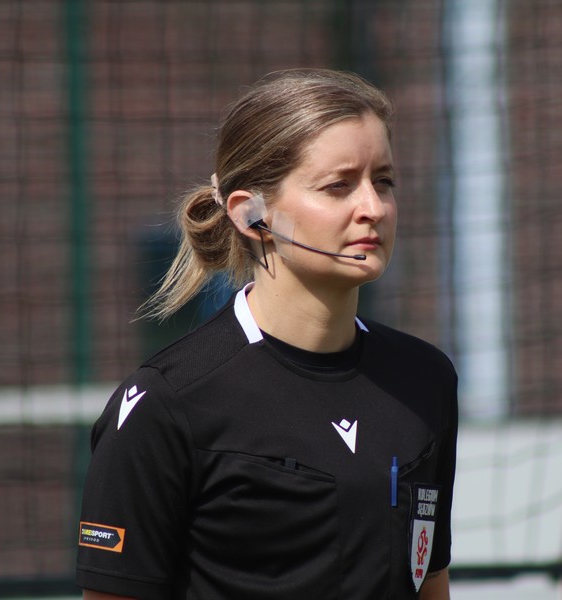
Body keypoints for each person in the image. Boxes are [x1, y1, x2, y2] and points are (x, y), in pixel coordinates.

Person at [76, 68, 458, 600]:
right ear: (251, 214)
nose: (373, 208)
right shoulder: (167, 403)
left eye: (384, 181)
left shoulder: (425, 379)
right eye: (339, 186)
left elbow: (429, 582)